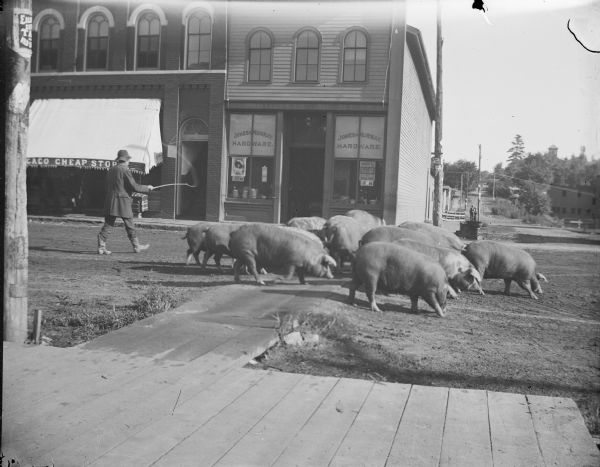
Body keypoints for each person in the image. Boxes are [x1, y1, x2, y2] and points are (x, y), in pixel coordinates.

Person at [97, 149, 154, 254]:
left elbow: (106, 186)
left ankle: (101, 247)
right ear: (126, 160)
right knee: (129, 224)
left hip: (111, 201)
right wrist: (147, 188)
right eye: (128, 160)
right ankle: (136, 247)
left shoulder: (111, 170)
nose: (129, 162)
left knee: (108, 223)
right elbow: (134, 186)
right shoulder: (125, 170)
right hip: (122, 202)